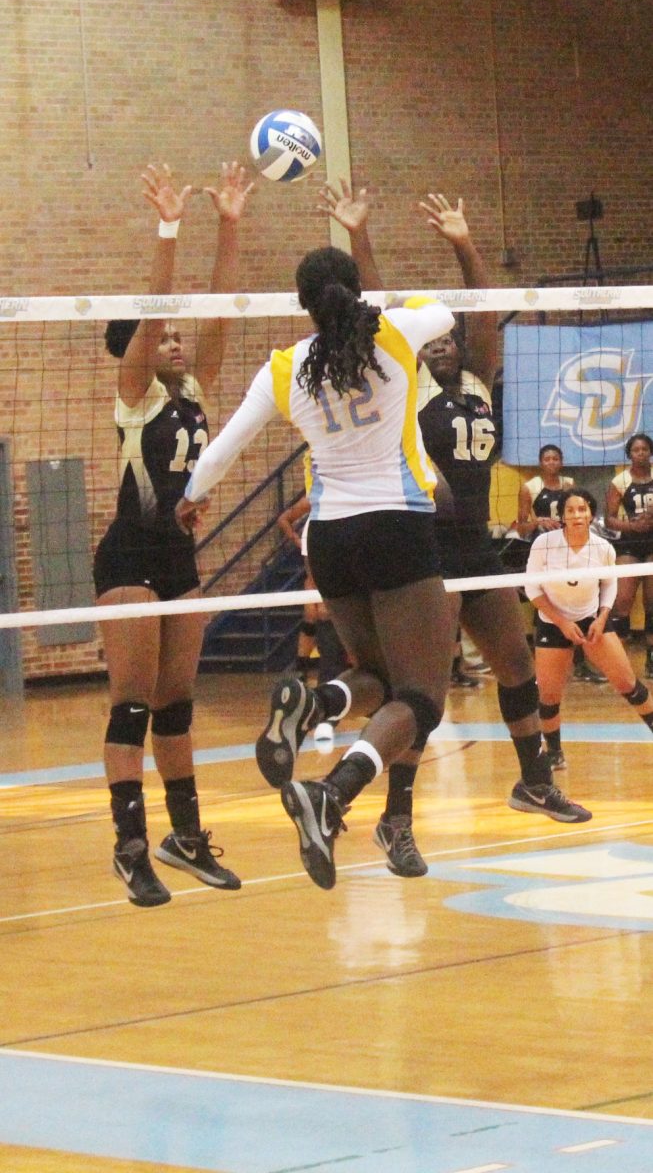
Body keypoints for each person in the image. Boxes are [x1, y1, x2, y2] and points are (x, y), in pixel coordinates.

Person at [176, 243, 457, 890]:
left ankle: (315, 702)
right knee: (420, 698)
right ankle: (331, 793)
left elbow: (218, 453)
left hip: (327, 539)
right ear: (355, 291)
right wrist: (383, 297)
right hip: (396, 527)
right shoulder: (393, 332)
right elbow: (440, 312)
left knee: (375, 679)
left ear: (302, 304)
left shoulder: (284, 367)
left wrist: (189, 503)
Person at [324, 184, 591, 844]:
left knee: (516, 665)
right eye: (431, 339)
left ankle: (532, 781)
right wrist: (358, 236)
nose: (442, 344)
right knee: (426, 690)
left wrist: (463, 242)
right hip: (424, 548)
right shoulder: (401, 385)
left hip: (475, 543)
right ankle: (397, 816)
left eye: (448, 336)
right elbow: (378, 312)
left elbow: (483, 312)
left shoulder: (477, 379)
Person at [95, 161, 252, 907]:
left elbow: (216, 308)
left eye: (179, 339)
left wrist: (229, 222)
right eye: (164, 338)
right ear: (139, 348)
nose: (177, 342)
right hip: (127, 553)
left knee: (177, 703)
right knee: (130, 701)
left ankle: (184, 836)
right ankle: (130, 849)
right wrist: (169, 226)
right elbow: (157, 309)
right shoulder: (134, 394)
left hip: (177, 556)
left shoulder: (192, 392)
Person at [524, 486, 653, 802]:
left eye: (582, 510)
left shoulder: (603, 547)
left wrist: (601, 616)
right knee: (549, 694)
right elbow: (532, 589)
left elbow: (609, 584)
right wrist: (562, 622)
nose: (576, 515)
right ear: (563, 516)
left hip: (592, 619)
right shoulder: (544, 544)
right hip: (554, 622)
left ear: (591, 514)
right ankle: (554, 751)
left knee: (628, 684)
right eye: (570, 510)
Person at [518, 445, 606, 685]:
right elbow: (520, 526)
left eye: (556, 458)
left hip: (572, 549)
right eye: (546, 458)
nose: (551, 462)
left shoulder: (569, 484)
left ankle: (580, 663)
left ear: (561, 461)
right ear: (540, 462)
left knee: (577, 602)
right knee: (546, 606)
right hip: (544, 551)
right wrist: (539, 522)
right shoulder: (530, 487)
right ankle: (545, 667)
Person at [277, 493, 350, 748]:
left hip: (343, 595)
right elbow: (284, 520)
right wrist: (295, 540)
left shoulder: (346, 512)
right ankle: (307, 685)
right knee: (316, 623)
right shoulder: (316, 511)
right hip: (325, 594)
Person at [605, 433, 653, 678]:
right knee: (622, 601)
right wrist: (633, 526)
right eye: (636, 450)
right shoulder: (620, 481)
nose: (641, 453)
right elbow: (609, 519)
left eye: (645, 449)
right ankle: (619, 659)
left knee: (652, 603)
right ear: (630, 454)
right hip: (630, 543)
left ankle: (651, 658)